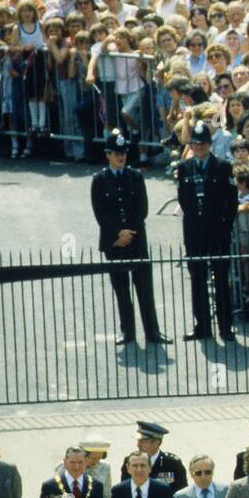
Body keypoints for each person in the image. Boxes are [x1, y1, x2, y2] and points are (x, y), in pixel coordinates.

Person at [90, 130, 170, 347]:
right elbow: (100, 213)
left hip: (135, 239)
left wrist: (129, 232)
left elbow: (141, 209)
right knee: (121, 289)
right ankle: (127, 331)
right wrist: (118, 233)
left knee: (144, 287)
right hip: (114, 241)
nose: (121, 156)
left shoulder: (135, 176)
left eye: (123, 152)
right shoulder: (99, 180)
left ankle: (153, 331)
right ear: (108, 154)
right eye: (116, 153)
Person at [176, 120, 238, 342]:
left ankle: (225, 326)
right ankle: (202, 325)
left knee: (221, 278)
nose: (199, 148)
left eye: (203, 144)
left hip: (217, 231)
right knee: (197, 278)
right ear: (191, 146)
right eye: (195, 144)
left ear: (209, 145)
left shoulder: (223, 166)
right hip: (194, 231)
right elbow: (183, 199)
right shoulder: (184, 168)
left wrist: (224, 225)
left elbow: (232, 201)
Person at [121, 421, 188, 493]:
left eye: (143, 441)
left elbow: (182, 494)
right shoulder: (131, 461)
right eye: (138, 440)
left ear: (156, 442)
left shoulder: (172, 463)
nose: (138, 444)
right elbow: (125, 490)